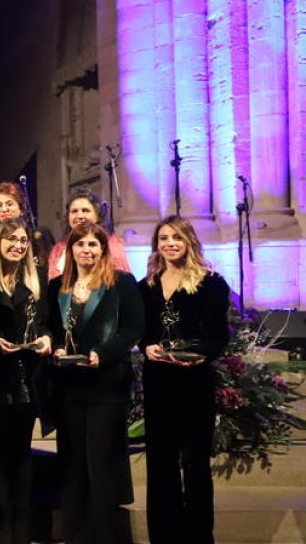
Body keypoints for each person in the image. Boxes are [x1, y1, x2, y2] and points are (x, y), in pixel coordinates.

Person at [46, 223, 143, 544]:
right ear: (69, 249)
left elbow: (133, 329)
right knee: (72, 465)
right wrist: (57, 346)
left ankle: (106, 537)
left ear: (104, 249)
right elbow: (51, 328)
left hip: (107, 386)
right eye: (80, 244)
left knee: (102, 465)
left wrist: (103, 353)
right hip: (69, 386)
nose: (86, 250)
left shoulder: (122, 283)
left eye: (93, 244)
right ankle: (76, 536)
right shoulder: (57, 286)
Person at [139, 217, 231, 544]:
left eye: (176, 237)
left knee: (195, 465)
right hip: (159, 382)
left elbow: (220, 335)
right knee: (161, 464)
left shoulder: (211, 282)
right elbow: (142, 333)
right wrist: (144, 346)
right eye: (163, 238)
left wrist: (202, 354)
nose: (170, 243)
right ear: (157, 245)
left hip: (194, 383)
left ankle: (197, 537)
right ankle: (164, 536)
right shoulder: (146, 285)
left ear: (189, 240)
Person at [0, 218, 51, 544]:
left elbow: (49, 324)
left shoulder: (36, 283)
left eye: (22, 240)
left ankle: (21, 529)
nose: (18, 245)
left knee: (22, 454)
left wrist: (48, 339)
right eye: (11, 239)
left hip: (26, 378)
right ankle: (1, 527)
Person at [47, 189, 130, 280]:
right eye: (74, 211)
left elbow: (124, 284)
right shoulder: (58, 250)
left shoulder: (112, 245)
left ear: (97, 216)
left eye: (85, 211)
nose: (79, 216)